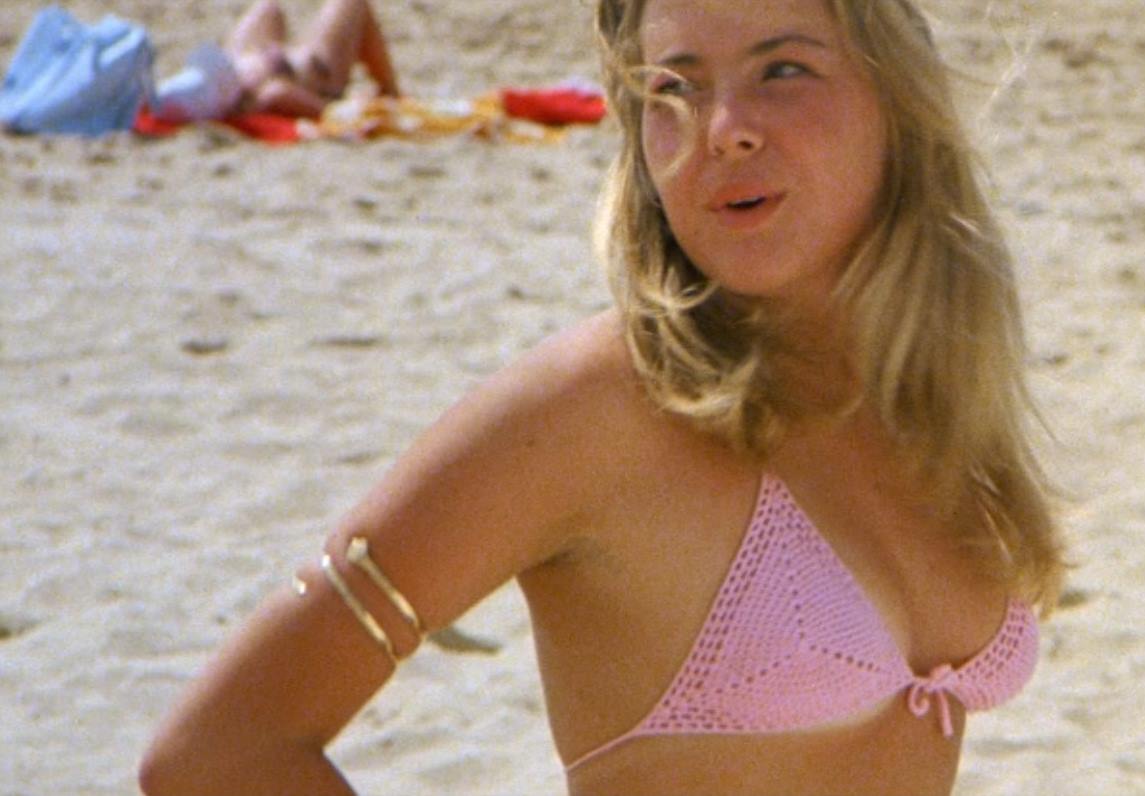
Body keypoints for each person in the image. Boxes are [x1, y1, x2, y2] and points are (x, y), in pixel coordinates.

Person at [139, 0, 1063, 793]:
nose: (723, 128)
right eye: (674, 87)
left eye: (782, 70)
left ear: (896, 99)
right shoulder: (597, 409)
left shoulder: (919, 393)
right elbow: (219, 753)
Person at [151, 0, 400, 122]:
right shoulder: (271, 94)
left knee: (267, 8)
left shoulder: (217, 83)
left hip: (249, 63)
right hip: (309, 73)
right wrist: (356, 110)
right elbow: (325, 112)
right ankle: (390, 90)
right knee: (351, 3)